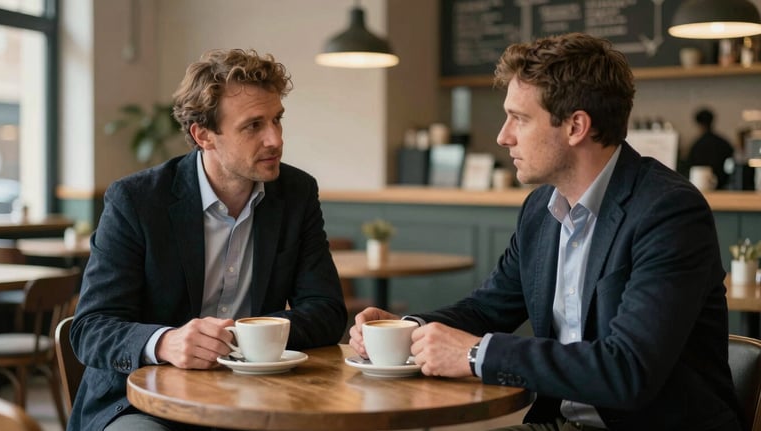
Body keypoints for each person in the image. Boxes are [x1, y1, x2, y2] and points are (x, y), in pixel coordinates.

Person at [350, 33, 740, 430]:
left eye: (518, 118)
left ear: (575, 126)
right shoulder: (541, 209)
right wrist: (405, 330)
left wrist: (474, 355)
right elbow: (487, 309)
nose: (503, 136)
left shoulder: (668, 212)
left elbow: (628, 370)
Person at [69, 49, 347, 431]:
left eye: (277, 120)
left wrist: (240, 337)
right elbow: (91, 327)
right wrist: (166, 342)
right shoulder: (137, 200)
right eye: (253, 126)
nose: (275, 139)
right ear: (204, 136)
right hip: (143, 403)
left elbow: (327, 311)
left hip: (258, 396)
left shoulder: (296, 193)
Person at [685, 108, 735, 189]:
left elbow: (688, 166)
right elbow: (731, 164)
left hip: (700, 188)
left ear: (698, 124)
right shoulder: (723, 143)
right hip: (723, 187)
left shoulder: (697, 145)